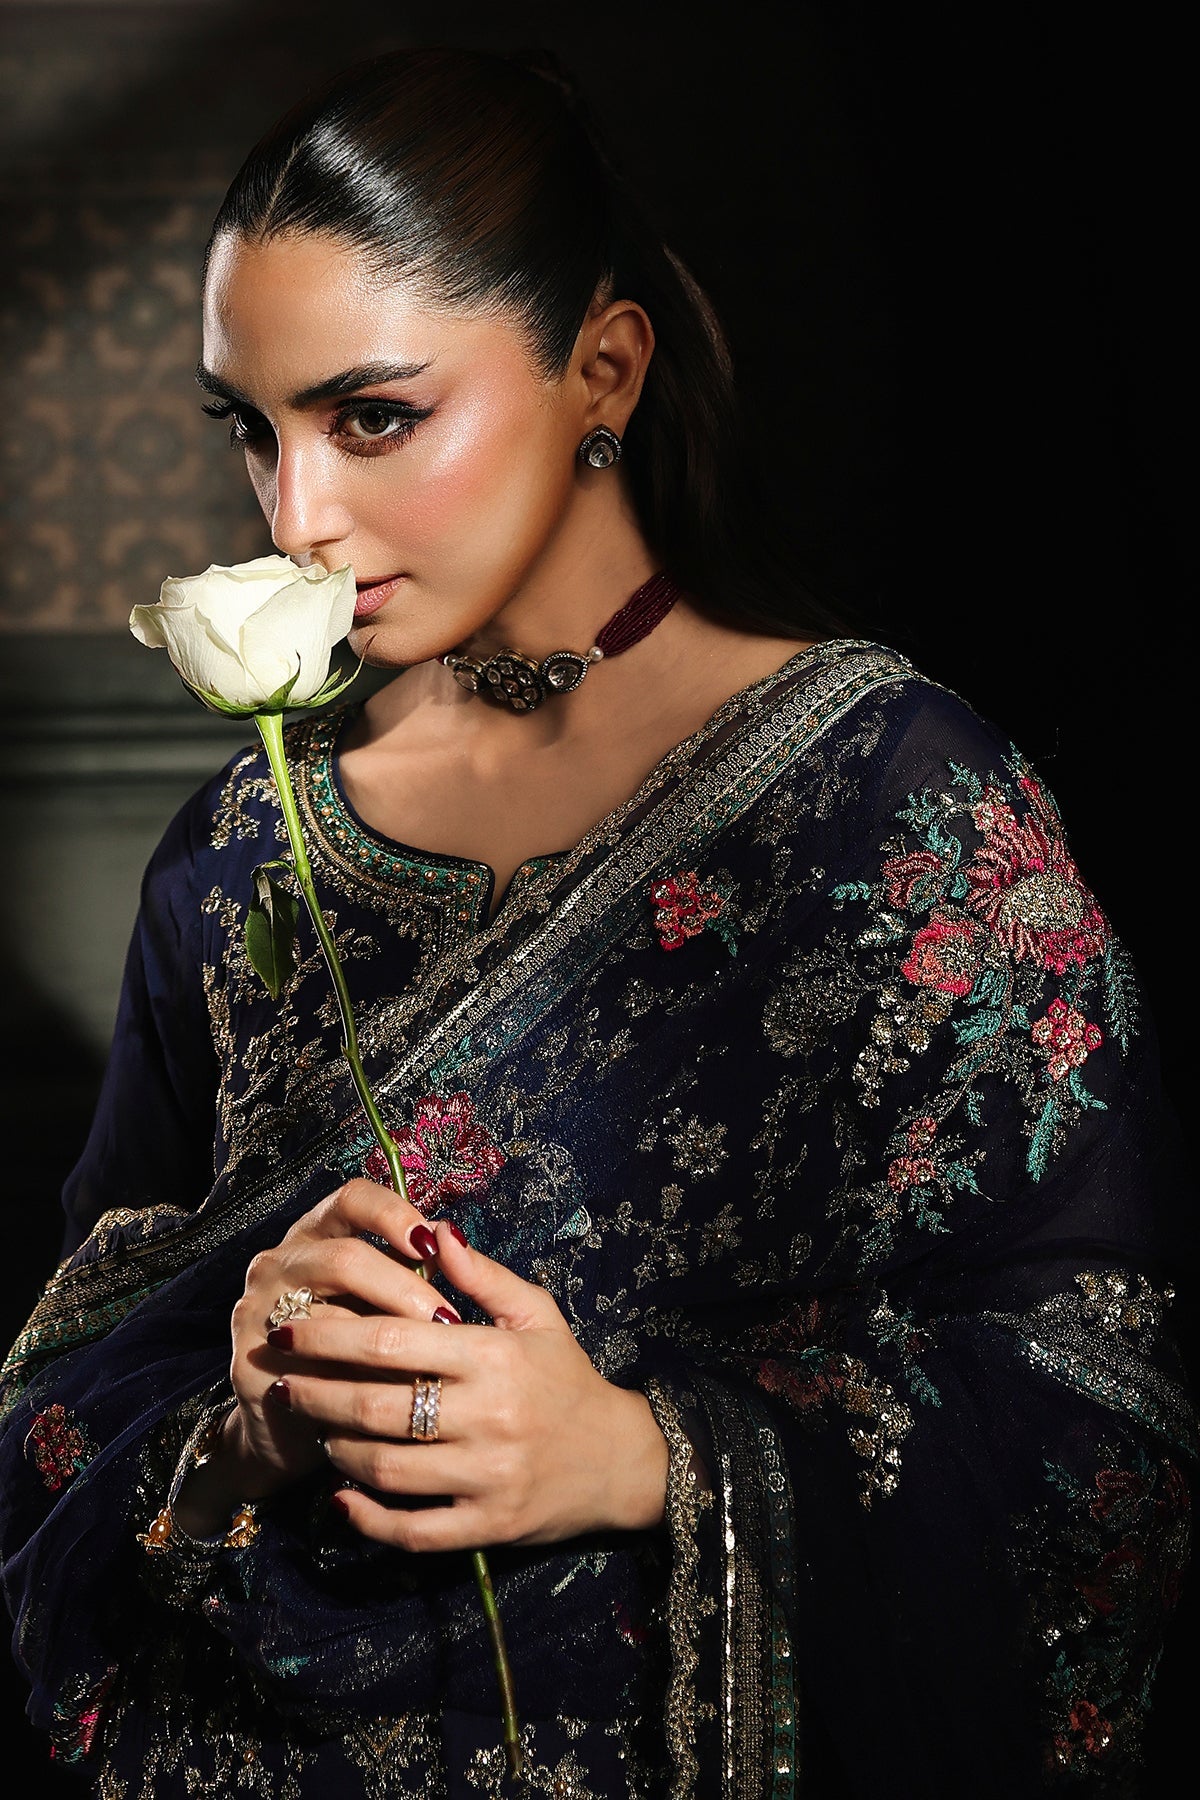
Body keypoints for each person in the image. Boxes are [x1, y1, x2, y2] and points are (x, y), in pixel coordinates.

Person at [0, 45, 1193, 1800]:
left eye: (372, 417)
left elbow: (1101, 1419)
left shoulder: (888, 802)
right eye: (250, 430)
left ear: (602, 372)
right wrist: (235, 1433)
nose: (299, 518)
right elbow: (65, 1396)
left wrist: (642, 1460)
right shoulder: (243, 855)